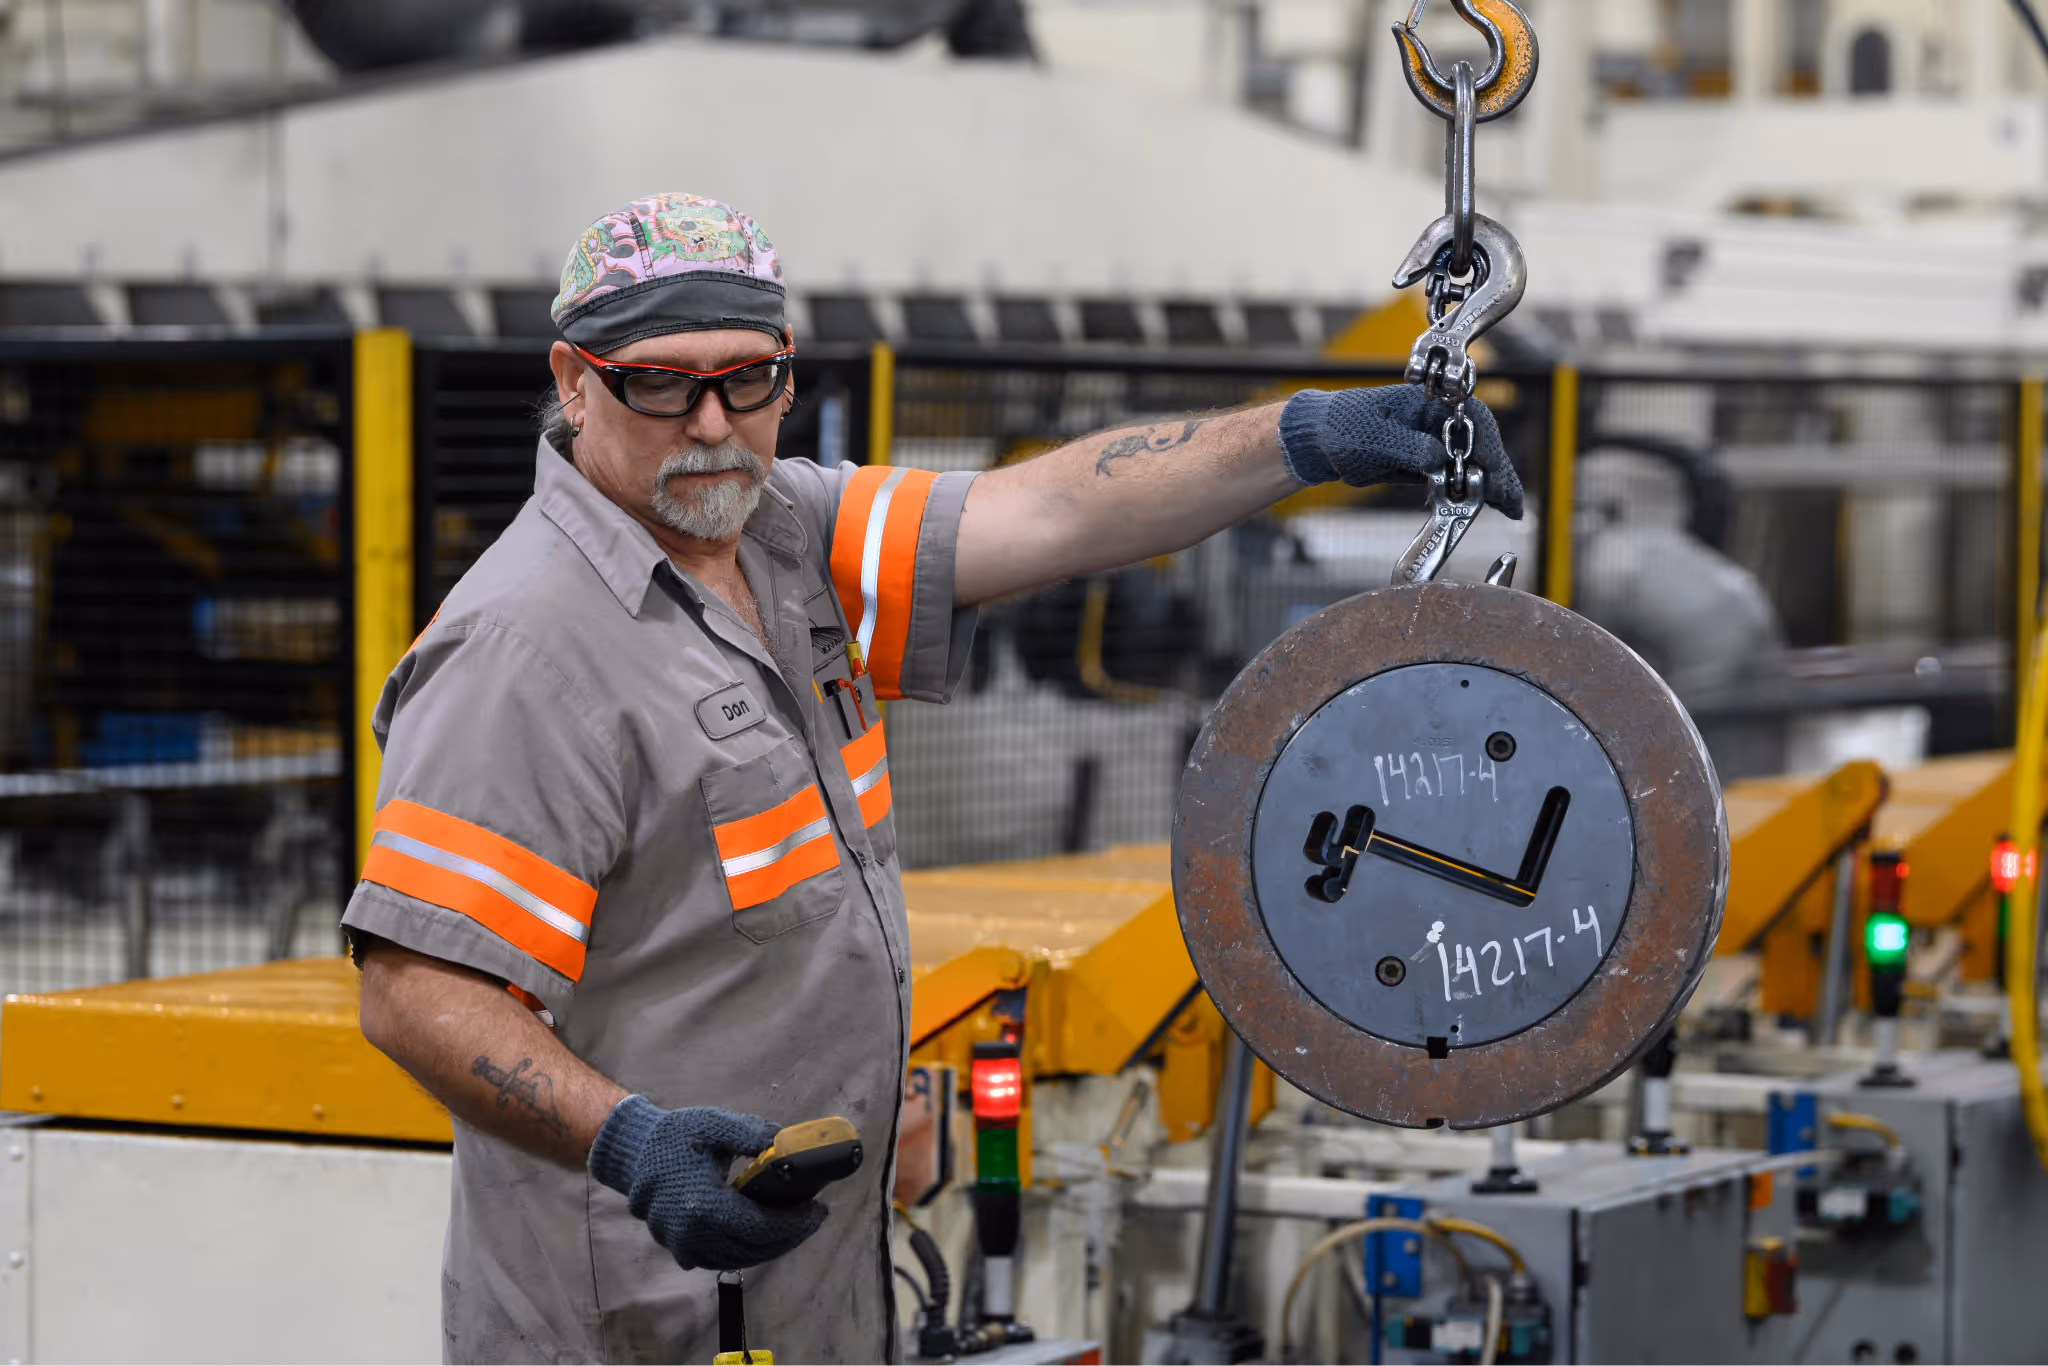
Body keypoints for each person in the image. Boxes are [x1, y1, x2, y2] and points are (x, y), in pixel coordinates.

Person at [345, 191, 1520, 1363]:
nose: (710, 423)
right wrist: (629, 1142)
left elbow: (1054, 507)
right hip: (630, 1298)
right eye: (661, 383)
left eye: (747, 378)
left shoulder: (780, 532)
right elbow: (414, 987)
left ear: (788, 377)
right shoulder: (524, 648)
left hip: (808, 1275)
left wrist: (1306, 437)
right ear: (572, 380)